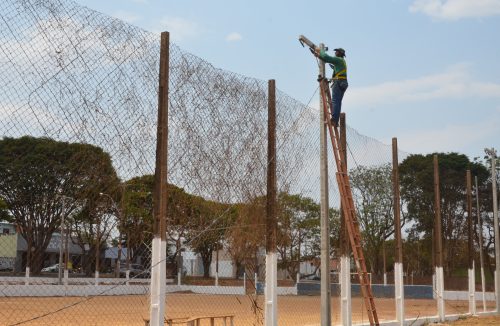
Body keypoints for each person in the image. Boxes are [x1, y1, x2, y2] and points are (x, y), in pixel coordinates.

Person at [315, 47, 348, 127]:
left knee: (335, 101)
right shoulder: (342, 61)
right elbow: (326, 60)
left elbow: (326, 57)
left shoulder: (338, 60)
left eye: (336, 52)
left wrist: (321, 50)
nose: (335, 53)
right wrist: (319, 56)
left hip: (338, 82)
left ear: (340, 53)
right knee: (338, 102)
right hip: (343, 83)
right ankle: (335, 121)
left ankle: (334, 120)